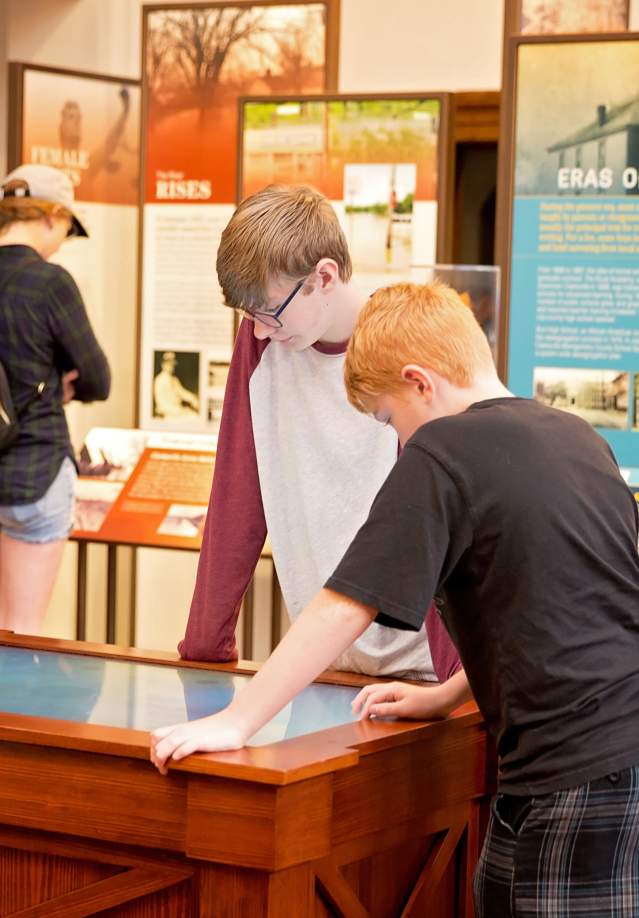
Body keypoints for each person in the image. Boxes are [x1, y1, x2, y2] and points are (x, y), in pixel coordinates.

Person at [152, 281, 639, 917]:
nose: (395, 435)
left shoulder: (444, 448)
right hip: (585, 759)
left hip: (582, 766)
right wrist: (446, 694)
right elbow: (559, 605)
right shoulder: (575, 435)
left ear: (418, 382)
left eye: (386, 417)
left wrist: (237, 720)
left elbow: (344, 604)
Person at [179, 184, 461, 685]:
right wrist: (205, 647)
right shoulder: (262, 342)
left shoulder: (407, 340)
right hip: (324, 666)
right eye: (250, 317)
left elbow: (441, 519)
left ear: (324, 276)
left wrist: (457, 682)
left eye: (268, 312)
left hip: (425, 676)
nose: (260, 330)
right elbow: (237, 493)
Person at [0, 163, 110, 634]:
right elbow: (98, 378)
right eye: (66, 227)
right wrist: (63, 387)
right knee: (21, 630)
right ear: (50, 215)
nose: (63, 240)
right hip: (36, 471)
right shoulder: (48, 282)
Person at [152, 351, 199, 417]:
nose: (171, 366)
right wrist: (180, 411)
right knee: (193, 417)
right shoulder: (159, 380)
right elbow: (161, 404)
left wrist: (193, 398)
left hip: (177, 410)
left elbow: (182, 392)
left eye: (172, 363)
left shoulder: (174, 379)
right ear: (163, 365)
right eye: (168, 363)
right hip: (166, 413)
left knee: (195, 416)